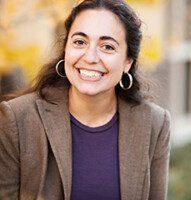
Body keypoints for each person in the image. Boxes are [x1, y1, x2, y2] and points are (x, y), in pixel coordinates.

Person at [0, 0, 171, 199]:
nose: (90, 57)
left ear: (127, 62)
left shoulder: (154, 123)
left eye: (107, 46)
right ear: (66, 50)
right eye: (80, 42)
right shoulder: (16, 118)